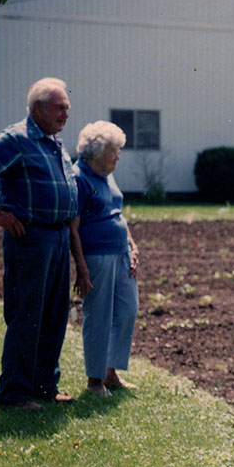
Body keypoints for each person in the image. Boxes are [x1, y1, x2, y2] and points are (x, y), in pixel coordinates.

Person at [0, 77, 78, 411]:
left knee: (55, 315)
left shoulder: (55, 141)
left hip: (58, 236)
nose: (65, 114)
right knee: (27, 314)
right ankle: (12, 394)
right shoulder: (17, 138)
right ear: (37, 108)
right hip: (30, 238)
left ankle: (43, 386)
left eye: (67, 108)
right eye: (59, 108)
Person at [69, 121, 139, 397]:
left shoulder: (108, 175)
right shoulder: (79, 178)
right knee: (98, 316)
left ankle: (111, 374)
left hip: (122, 254)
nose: (119, 156)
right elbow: (72, 228)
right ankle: (94, 381)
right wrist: (81, 267)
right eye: (115, 151)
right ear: (96, 153)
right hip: (96, 257)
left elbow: (117, 212)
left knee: (127, 310)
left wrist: (133, 246)